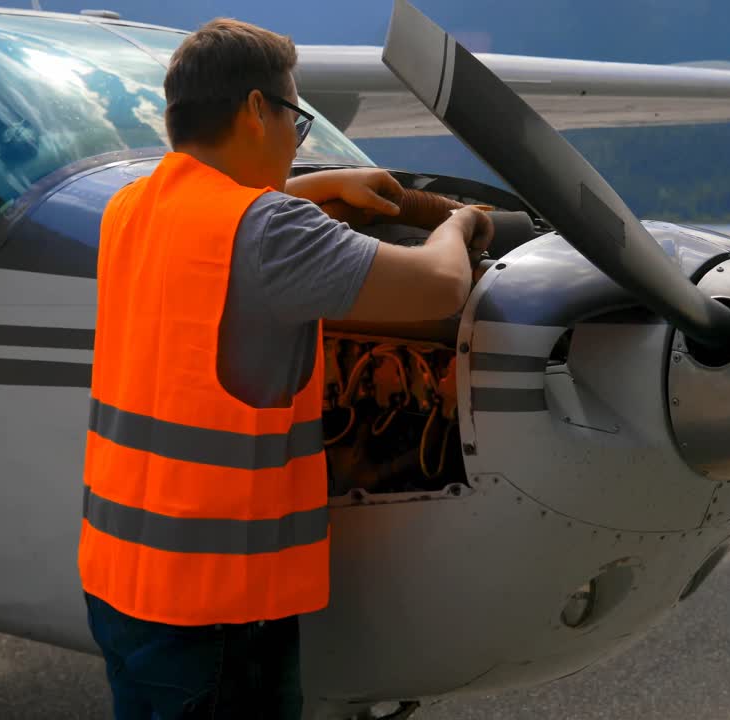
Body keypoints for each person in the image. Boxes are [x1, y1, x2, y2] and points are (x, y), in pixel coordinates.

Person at [77, 17, 493, 720]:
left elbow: (230, 227)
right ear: (255, 111)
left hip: (122, 587)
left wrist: (327, 180)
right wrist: (457, 225)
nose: (294, 142)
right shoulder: (271, 234)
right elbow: (439, 287)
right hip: (218, 613)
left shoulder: (130, 209)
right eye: (296, 122)